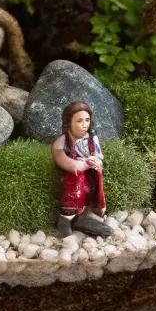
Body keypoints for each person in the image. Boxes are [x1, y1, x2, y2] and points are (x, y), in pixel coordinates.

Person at [51, 100, 111, 237]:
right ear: (69, 123)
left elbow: (98, 155)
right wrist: (82, 164)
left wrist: (96, 161)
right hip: (74, 175)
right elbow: (64, 160)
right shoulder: (62, 141)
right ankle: (65, 218)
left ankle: (87, 214)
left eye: (87, 120)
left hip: (90, 173)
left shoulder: (92, 138)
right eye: (79, 121)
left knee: (95, 187)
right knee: (75, 187)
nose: (84, 125)